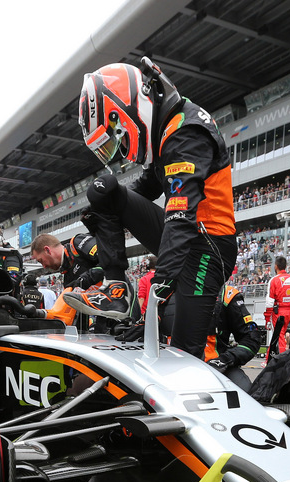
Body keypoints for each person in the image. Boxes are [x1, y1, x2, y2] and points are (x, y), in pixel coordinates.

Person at [72, 59, 236, 356]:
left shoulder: (185, 131)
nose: (123, 151)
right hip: (188, 234)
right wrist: (105, 212)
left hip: (210, 248)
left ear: (126, 112)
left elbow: (181, 215)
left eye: (118, 137)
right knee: (104, 191)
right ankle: (117, 290)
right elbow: (144, 189)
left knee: (185, 351)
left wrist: (162, 282)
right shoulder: (165, 129)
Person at [29, 232, 105, 326]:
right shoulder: (68, 279)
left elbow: (109, 259)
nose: (44, 266)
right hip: (103, 316)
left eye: (41, 261)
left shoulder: (78, 243)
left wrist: (86, 279)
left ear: (47, 250)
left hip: (122, 302)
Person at [203, 283, 266, 389]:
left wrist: (225, 359)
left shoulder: (227, 295)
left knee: (248, 397)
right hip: (176, 368)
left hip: (217, 367)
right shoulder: (167, 290)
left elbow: (252, 338)